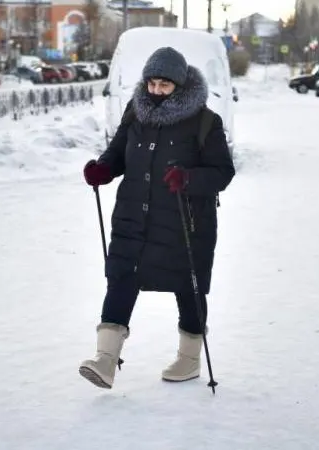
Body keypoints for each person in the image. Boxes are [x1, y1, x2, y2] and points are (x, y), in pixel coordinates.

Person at [78, 47, 236, 389]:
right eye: (151, 83)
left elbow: (223, 172)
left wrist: (189, 179)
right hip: (133, 217)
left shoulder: (206, 121)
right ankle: (105, 360)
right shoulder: (136, 112)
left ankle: (190, 359)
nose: (156, 91)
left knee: (188, 288)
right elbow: (118, 152)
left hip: (184, 222)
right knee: (121, 279)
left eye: (164, 85)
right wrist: (103, 169)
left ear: (179, 85)